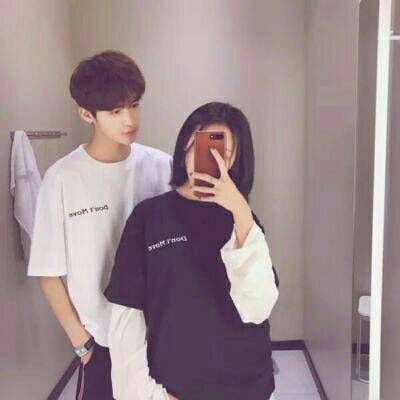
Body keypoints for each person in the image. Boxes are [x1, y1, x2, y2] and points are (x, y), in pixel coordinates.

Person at [105, 102, 279, 400]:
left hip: (249, 385)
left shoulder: (243, 220)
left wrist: (240, 210)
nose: (209, 158)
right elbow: (126, 313)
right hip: (174, 388)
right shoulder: (149, 217)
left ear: (235, 160)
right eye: (201, 144)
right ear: (185, 146)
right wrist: (146, 394)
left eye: (223, 151)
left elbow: (258, 307)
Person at [27, 50, 173, 400]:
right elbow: (47, 271)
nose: (129, 119)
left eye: (134, 105)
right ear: (86, 113)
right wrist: (83, 345)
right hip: (102, 343)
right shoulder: (62, 178)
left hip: (162, 333)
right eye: (115, 111)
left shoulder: (162, 166)